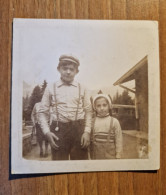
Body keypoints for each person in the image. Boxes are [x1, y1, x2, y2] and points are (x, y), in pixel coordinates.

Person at [39, 55, 92, 160]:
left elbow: (89, 111)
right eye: (65, 68)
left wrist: (87, 131)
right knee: (59, 164)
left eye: (71, 69)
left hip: (78, 130)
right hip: (58, 130)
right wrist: (47, 132)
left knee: (80, 165)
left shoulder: (83, 88)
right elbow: (42, 112)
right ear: (58, 69)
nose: (68, 72)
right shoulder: (50, 87)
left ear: (76, 71)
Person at [90, 94, 123, 159]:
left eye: (104, 105)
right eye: (98, 106)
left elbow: (119, 140)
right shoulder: (92, 122)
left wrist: (118, 155)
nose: (102, 108)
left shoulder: (114, 121)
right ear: (95, 108)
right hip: (96, 157)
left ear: (109, 106)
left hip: (110, 157)